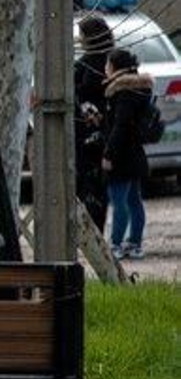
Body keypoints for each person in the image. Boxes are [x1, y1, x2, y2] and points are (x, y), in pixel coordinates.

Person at [103, 47, 153, 260]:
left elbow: (120, 127)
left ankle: (115, 243)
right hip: (136, 153)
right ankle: (135, 242)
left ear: (114, 67)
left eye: (107, 64)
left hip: (122, 156)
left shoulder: (122, 93)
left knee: (119, 200)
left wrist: (108, 154)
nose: (105, 69)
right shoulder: (141, 90)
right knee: (134, 200)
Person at [74, 15, 115, 230]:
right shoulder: (114, 60)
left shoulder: (86, 66)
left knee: (88, 188)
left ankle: (90, 231)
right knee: (99, 189)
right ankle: (95, 232)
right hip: (105, 134)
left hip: (88, 136)